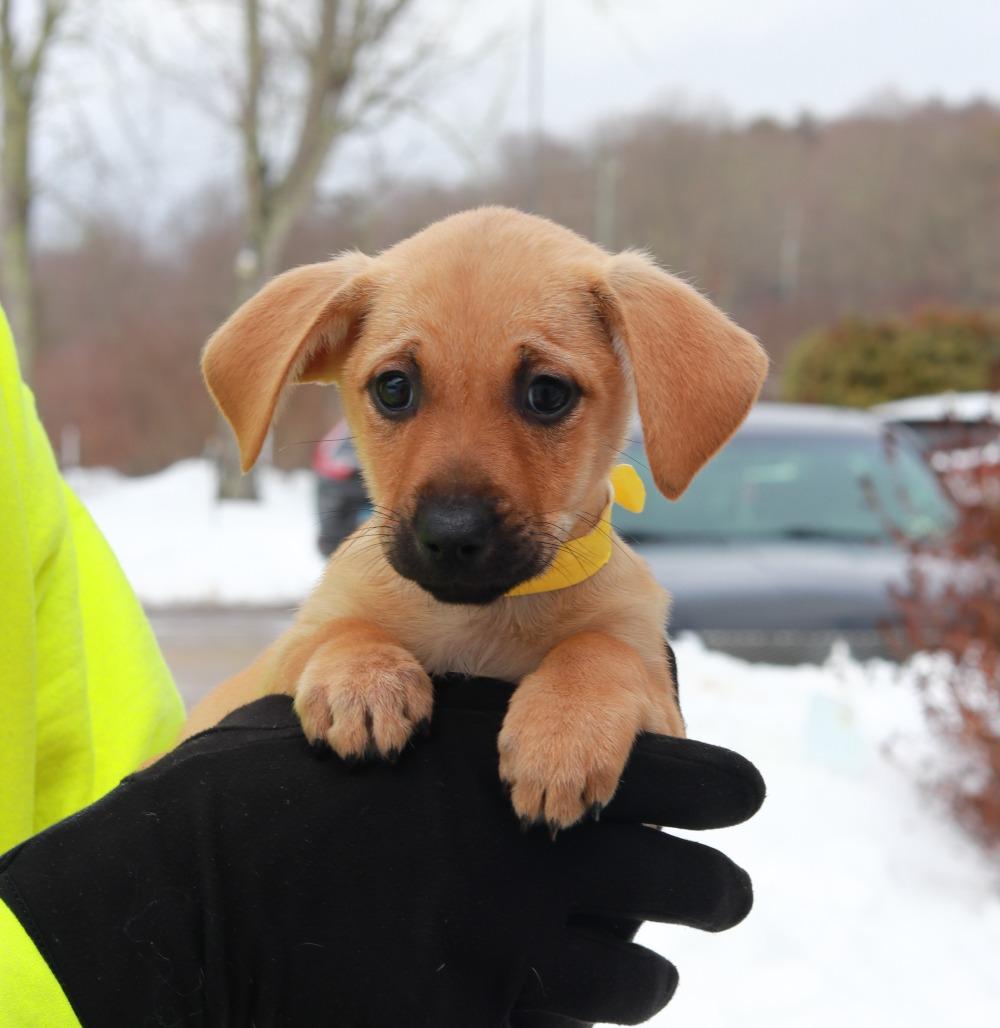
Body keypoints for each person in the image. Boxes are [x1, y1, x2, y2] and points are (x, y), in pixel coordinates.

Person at [0, 311, 764, 1025]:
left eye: (545, 395)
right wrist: (176, 898)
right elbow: (288, 675)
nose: (455, 509)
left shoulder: (619, 606)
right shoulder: (363, 591)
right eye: (396, 391)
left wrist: (604, 671)